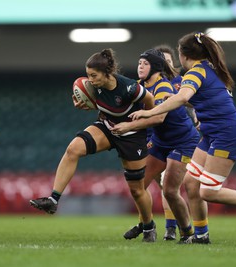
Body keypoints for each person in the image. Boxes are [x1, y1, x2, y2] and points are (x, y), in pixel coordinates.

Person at [129, 32, 236, 244]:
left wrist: (149, 111)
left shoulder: (195, 73)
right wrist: (177, 98)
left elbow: (183, 97)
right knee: (190, 183)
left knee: (208, 191)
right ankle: (201, 235)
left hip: (226, 134)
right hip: (211, 134)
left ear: (183, 54)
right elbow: (201, 100)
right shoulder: (209, 68)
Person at [29, 48, 157, 242]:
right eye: (88, 74)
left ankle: (148, 227)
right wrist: (85, 104)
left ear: (107, 74)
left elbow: (151, 103)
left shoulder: (129, 88)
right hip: (108, 127)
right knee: (73, 149)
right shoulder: (91, 86)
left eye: (94, 75)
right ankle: (53, 199)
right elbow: (96, 102)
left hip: (132, 135)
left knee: (137, 190)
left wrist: (136, 124)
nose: (90, 79)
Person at [120, 48, 199, 242]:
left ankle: (187, 233)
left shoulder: (163, 86)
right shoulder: (139, 86)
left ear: (155, 67)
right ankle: (147, 225)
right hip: (160, 142)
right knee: (138, 187)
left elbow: (159, 118)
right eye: (139, 63)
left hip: (183, 142)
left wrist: (128, 126)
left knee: (170, 191)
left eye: (145, 63)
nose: (140, 66)